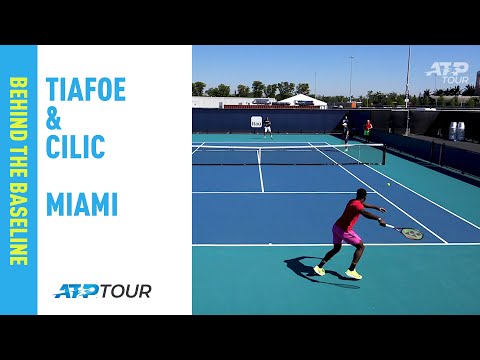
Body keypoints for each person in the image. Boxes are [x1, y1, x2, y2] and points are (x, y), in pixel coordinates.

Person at [313, 188, 386, 280]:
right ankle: (351, 269)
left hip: (336, 227)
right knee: (361, 247)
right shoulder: (358, 206)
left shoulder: (352, 201)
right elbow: (364, 212)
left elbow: (363, 205)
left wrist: (376, 207)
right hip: (344, 231)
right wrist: (379, 219)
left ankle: (319, 267)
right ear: (365, 197)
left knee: (336, 248)